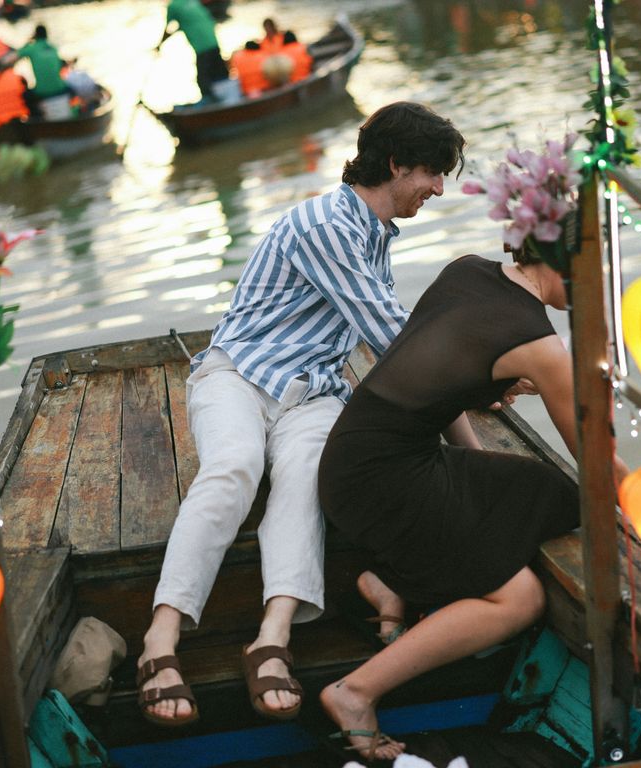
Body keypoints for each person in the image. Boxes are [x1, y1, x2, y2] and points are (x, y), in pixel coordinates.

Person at [136, 102, 467, 730]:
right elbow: (393, 335)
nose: (437, 189)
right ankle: (160, 640)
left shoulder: (372, 233)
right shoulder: (329, 224)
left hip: (313, 391)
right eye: (430, 172)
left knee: (304, 478)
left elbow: (381, 340)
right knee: (233, 467)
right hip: (238, 374)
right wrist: (484, 376)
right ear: (396, 164)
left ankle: (272, 636)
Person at [316, 242, 636, 760]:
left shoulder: (467, 269)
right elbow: (601, 464)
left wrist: (473, 469)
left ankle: (393, 583)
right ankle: (354, 693)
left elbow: (431, 387)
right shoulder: (542, 347)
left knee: (543, 490)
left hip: (355, 458)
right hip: (385, 484)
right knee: (522, 598)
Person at [159, 0, 226, 103]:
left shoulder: (173, 6)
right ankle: (226, 99)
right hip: (213, 40)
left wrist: (159, 44)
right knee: (220, 72)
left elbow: (168, 27)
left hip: (201, 46)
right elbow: (190, 20)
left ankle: (212, 103)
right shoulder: (193, 1)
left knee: (203, 79)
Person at [16, 24, 69, 116]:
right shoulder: (53, 48)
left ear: (35, 35)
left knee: (24, 95)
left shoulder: (32, 48)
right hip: (60, 88)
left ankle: (35, 117)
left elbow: (17, 54)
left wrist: (28, 41)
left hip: (42, 92)